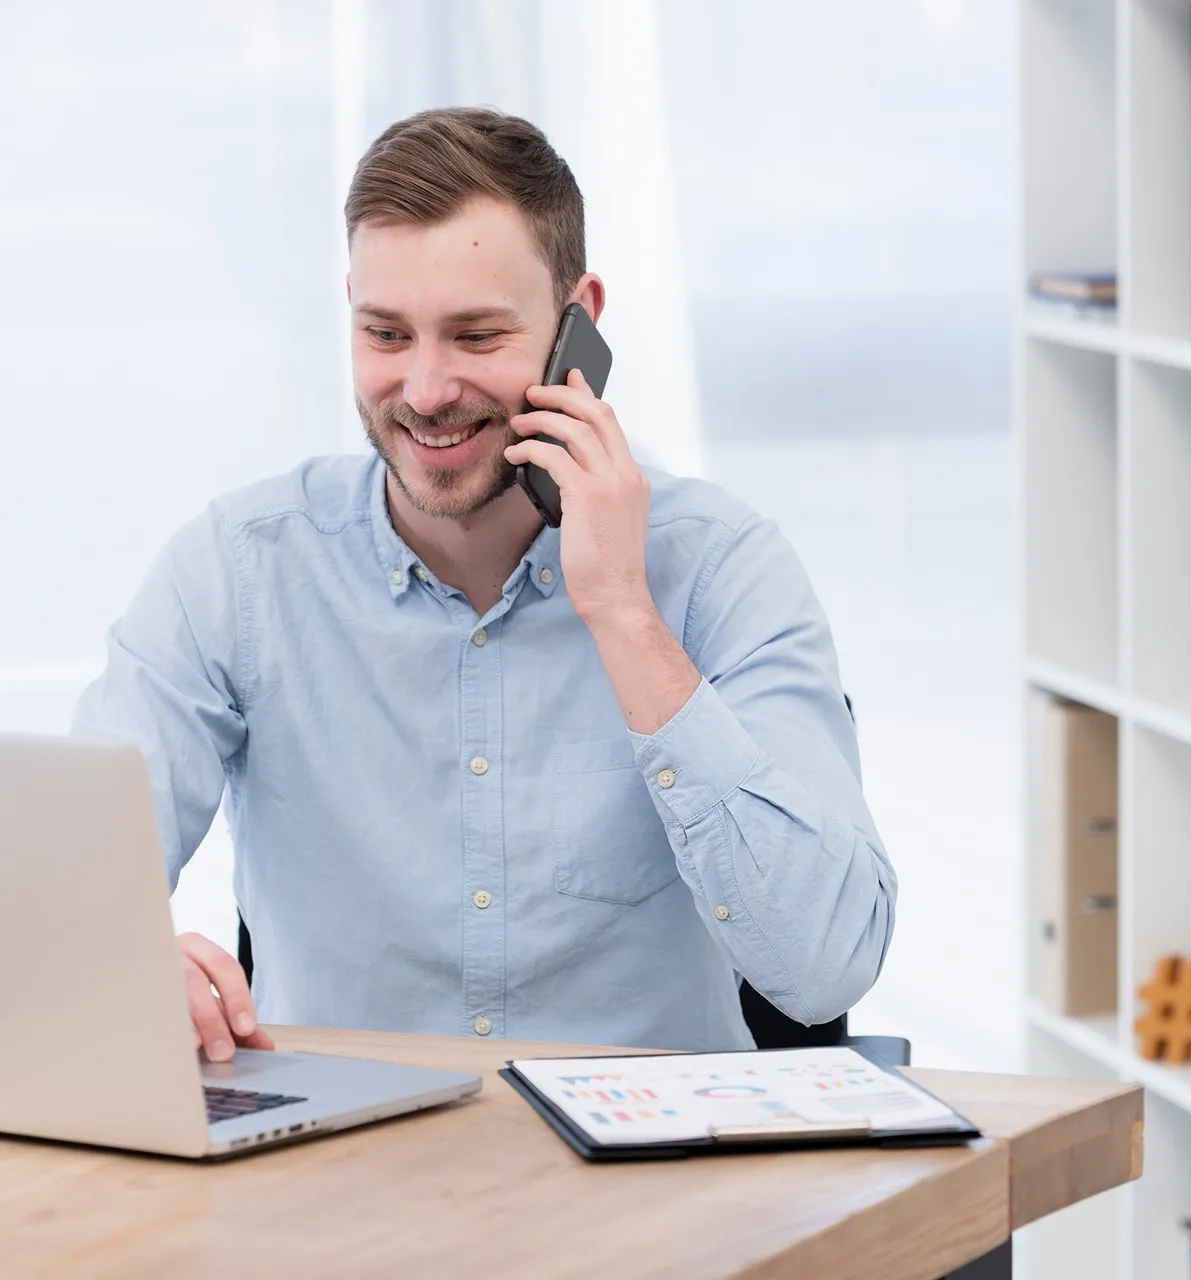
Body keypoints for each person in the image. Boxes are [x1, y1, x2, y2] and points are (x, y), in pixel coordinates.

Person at [73, 107, 896, 1059]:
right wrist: (127, 961)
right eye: (386, 334)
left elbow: (826, 966)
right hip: (341, 1175)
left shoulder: (719, 567)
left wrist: (624, 614)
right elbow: (60, 892)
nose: (424, 389)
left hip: (649, 1183)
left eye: (475, 336)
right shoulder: (241, 569)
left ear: (576, 324)